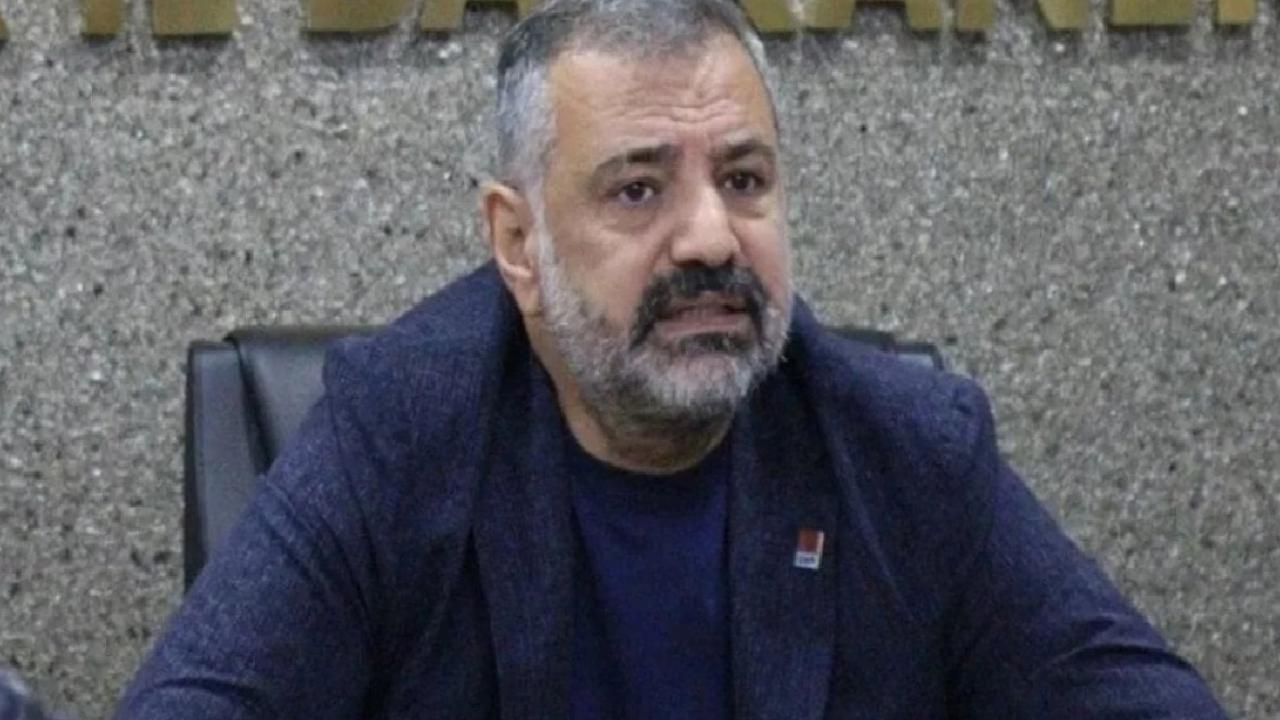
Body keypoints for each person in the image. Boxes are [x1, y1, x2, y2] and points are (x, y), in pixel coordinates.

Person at [117, 0, 1229, 717]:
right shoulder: (398, 431)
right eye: (638, 189)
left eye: (743, 181)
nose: (708, 238)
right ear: (518, 241)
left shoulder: (902, 447)